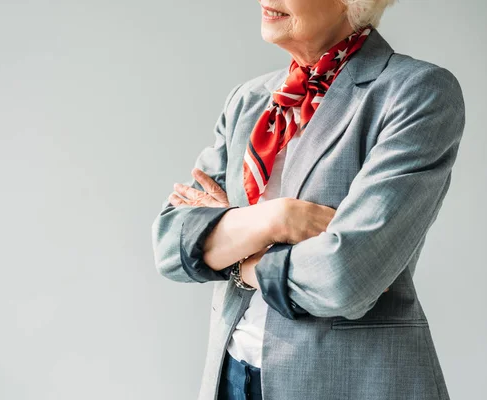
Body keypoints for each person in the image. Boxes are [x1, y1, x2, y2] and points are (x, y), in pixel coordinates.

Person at [151, 0, 465, 399]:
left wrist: (236, 256)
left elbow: (345, 277)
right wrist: (279, 218)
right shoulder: (247, 99)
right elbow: (171, 245)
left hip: (346, 382)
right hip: (231, 374)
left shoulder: (415, 92)